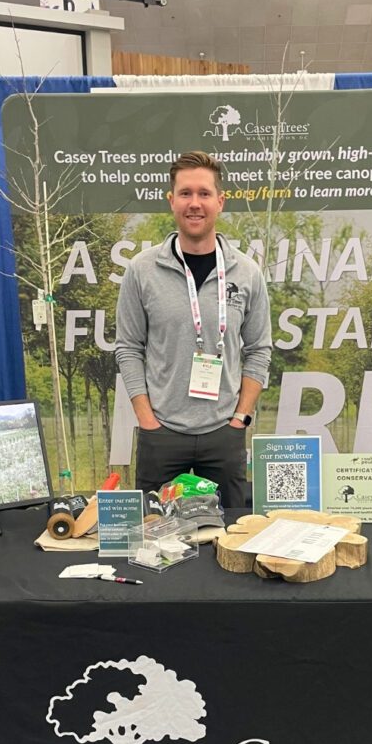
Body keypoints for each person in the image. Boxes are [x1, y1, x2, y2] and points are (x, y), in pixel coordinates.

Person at [115, 150, 272, 508]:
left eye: (204, 193)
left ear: (220, 201)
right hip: (161, 433)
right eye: (185, 193)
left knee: (229, 532)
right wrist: (147, 420)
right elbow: (128, 347)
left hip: (223, 434)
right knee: (155, 532)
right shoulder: (142, 270)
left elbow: (259, 349)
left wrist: (240, 418)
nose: (195, 203)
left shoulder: (247, 272)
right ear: (171, 201)